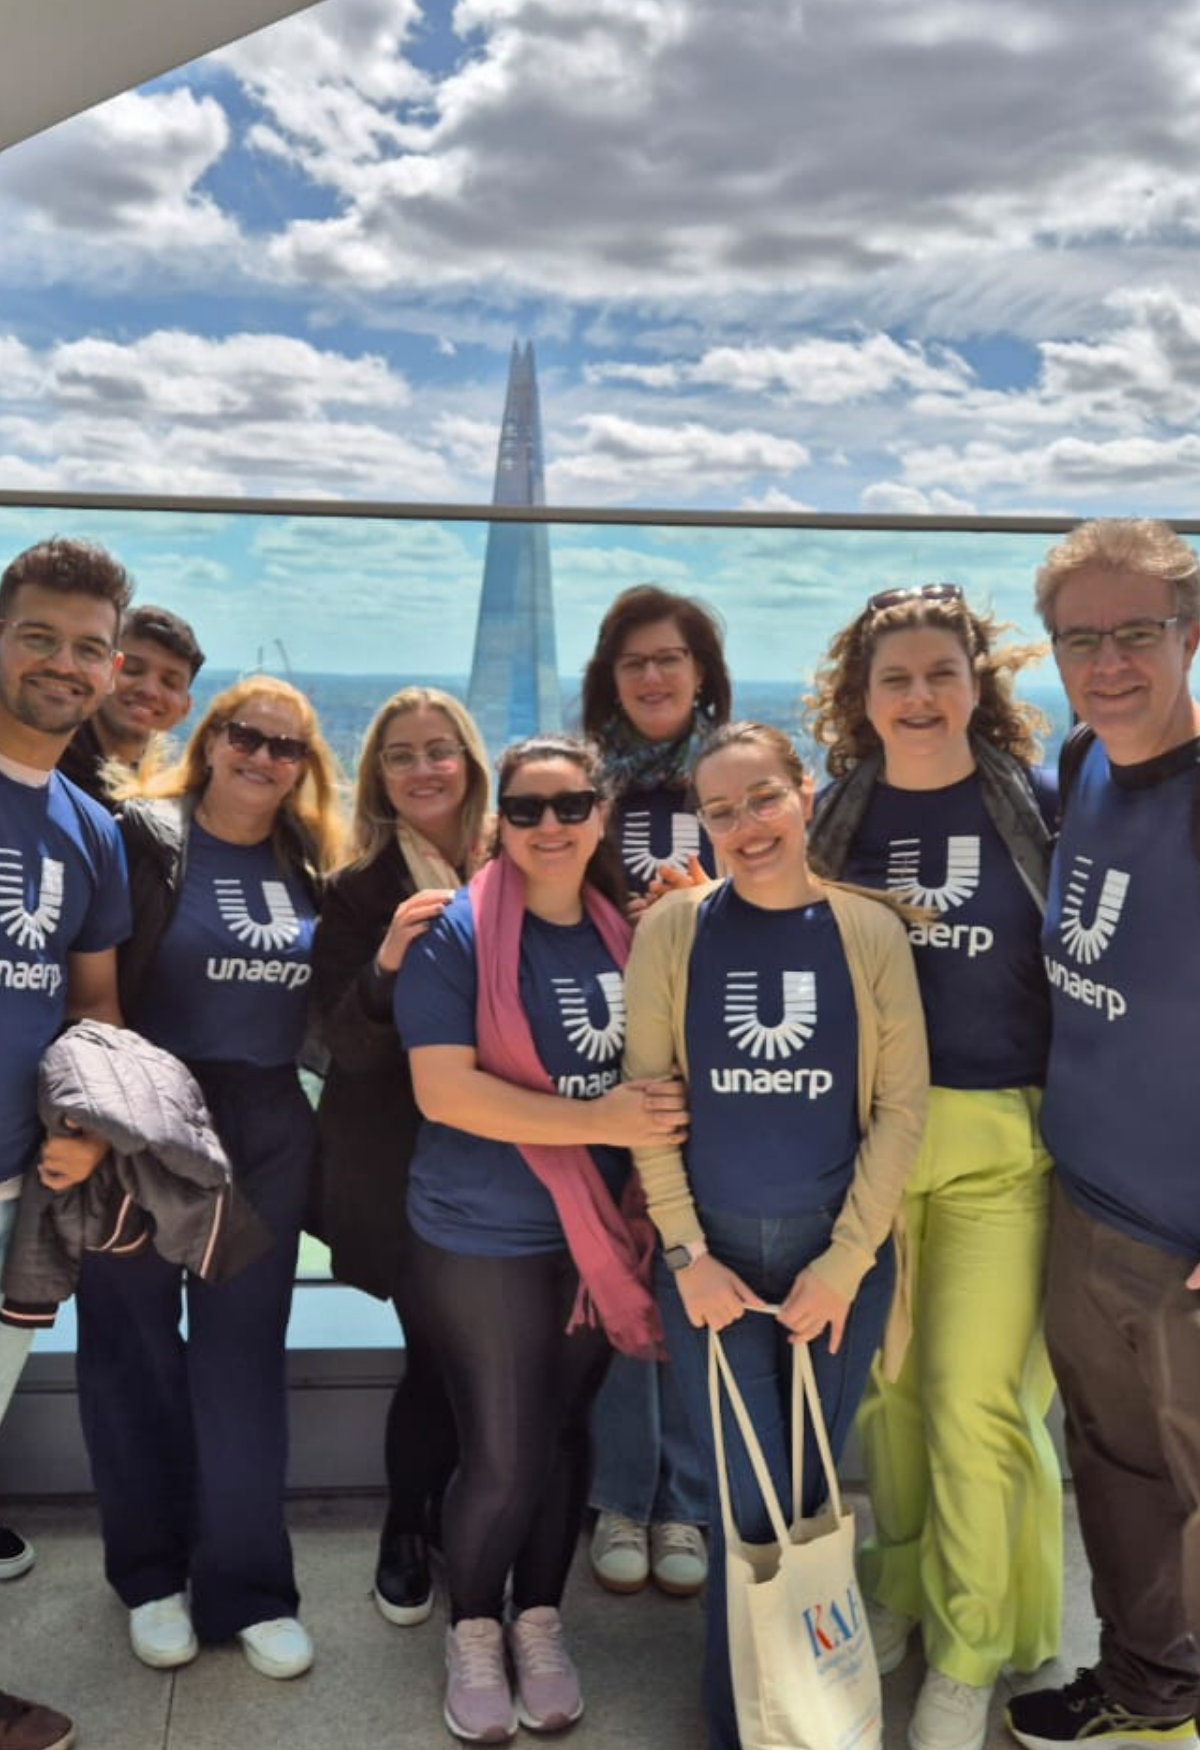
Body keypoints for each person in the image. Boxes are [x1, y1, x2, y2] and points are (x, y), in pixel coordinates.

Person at [622, 719, 928, 1750]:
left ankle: (810, 1713)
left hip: (835, 1263)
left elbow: (900, 1112)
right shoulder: (673, 932)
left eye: (764, 798)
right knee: (743, 1500)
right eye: (722, 811)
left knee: (808, 1491)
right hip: (710, 1266)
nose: (747, 825)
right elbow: (648, 1105)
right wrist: (686, 1256)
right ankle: (744, 1723)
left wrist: (843, 1265)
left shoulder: (867, 930)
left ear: (805, 793)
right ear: (702, 825)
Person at [804, 583, 1062, 1750]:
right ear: (860, 699)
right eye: (895, 679)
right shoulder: (832, 817)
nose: (919, 697)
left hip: (1004, 1142)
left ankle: (968, 1649)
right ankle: (901, 1585)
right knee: (890, 1394)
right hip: (870, 1143)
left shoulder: (1041, 808)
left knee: (973, 1404)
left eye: (940, 674)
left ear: (977, 683)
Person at [394, 733, 688, 1744]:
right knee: (507, 1452)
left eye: (570, 806)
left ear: (602, 816)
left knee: (564, 1436)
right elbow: (444, 1090)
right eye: (526, 809)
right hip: (483, 1232)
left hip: (596, 1232)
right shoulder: (458, 935)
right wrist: (599, 1120)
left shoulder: (629, 932)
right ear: (501, 822)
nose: (550, 826)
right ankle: (475, 1627)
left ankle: (540, 1619)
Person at [70, 676, 343, 1681]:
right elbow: (85, 979)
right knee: (131, 1347)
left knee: (241, 1359)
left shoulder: (309, 862)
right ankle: (150, 1576)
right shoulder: (138, 838)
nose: (262, 756)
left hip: (266, 1122)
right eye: (245, 735)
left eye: (286, 745)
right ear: (212, 738)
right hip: (147, 1114)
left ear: (305, 768)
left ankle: (250, 1586)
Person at [1005, 519, 1200, 1750]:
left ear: (1192, 636)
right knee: (1120, 1471)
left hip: (1186, 1242)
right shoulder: (1080, 760)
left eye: (1138, 632)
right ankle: (1148, 1683)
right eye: (1082, 638)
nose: (1109, 662)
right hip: (1083, 1204)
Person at [312, 685, 490, 1627]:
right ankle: (408, 1529)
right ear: (378, 777)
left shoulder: (523, 861)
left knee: (496, 1359)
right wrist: (385, 963)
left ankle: (484, 1517)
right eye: (400, 755)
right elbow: (340, 1045)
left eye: (439, 749)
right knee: (437, 1355)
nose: (423, 769)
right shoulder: (354, 892)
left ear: (470, 761)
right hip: (405, 1171)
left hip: (514, 1161)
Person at [0, 536, 133, 1750]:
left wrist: (88, 1127)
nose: (64, 662)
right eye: (38, 635)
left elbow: (93, 1006)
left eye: (88, 646)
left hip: (14, 1189)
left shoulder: (89, 829)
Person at [579, 583, 727, 1597]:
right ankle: (622, 1495)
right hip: (606, 1063)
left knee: (697, 1278)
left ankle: (687, 1500)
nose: (654, 675)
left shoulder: (739, 775)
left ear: (701, 670)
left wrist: (700, 908)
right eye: (634, 662)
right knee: (623, 1280)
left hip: (723, 1064)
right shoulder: (584, 786)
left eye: (671, 657)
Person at [58, 603, 203, 804]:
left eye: (169, 682)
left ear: (185, 708)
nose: (149, 690)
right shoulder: (46, 766)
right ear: (101, 673)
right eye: (132, 670)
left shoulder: (171, 800)